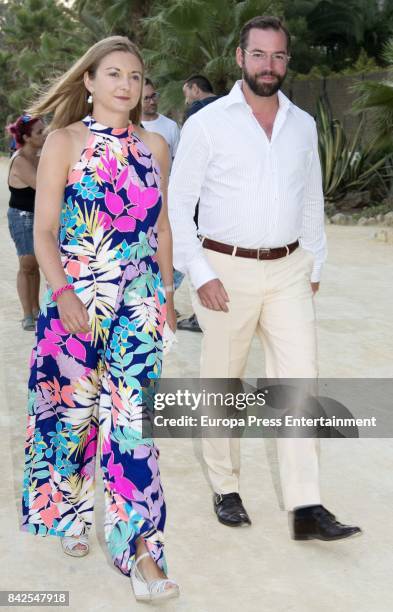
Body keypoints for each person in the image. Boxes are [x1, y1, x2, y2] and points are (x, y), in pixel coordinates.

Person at [169, 16, 361, 541]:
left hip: (289, 271)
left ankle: (306, 506)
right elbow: (178, 205)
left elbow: (311, 200)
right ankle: (225, 486)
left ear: (287, 61)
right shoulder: (207, 124)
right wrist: (200, 272)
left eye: (278, 57)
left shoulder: (303, 124)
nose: (268, 66)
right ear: (239, 58)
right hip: (222, 271)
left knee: (300, 382)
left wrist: (314, 264)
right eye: (259, 55)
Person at [20, 36, 179, 603]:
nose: (125, 85)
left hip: (137, 306)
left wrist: (165, 292)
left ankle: (141, 550)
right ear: (88, 82)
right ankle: (67, 516)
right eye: (113, 74)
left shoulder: (156, 146)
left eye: (135, 77)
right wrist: (61, 292)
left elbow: (159, 228)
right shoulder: (64, 143)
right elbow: (42, 231)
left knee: (136, 424)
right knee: (72, 416)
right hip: (76, 304)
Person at [176, 75, 219, 333]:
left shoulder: (196, 111)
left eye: (187, 91)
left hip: (199, 194)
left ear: (194, 88)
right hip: (221, 197)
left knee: (195, 247)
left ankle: (199, 313)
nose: (186, 97)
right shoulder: (228, 105)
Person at [7, 114, 45, 330]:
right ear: (27, 137)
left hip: (37, 215)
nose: (45, 134)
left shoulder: (38, 157)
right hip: (21, 216)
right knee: (27, 264)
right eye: (40, 132)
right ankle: (26, 314)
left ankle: (36, 309)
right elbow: (43, 185)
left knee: (36, 264)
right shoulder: (20, 160)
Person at [141, 78, 180, 161]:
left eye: (153, 96)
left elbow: (178, 163)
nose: (152, 102)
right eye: (146, 98)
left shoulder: (171, 126)